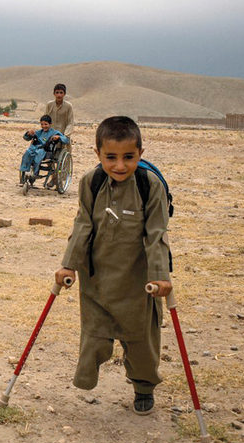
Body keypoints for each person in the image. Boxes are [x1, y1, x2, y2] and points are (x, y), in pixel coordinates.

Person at [55, 116, 172, 416]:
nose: (120, 166)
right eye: (111, 157)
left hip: (137, 281)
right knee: (94, 334)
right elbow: (82, 224)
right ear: (98, 154)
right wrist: (69, 265)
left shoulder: (150, 185)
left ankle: (144, 388)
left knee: (141, 340)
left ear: (140, 154)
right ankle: (86, 378)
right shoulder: (90, 182)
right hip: (97, 279)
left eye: (128, 157)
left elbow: (156, 233)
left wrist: (160, 276)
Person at [19, 115, 68, 185]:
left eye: (46, 124)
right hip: (34, 149)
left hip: (46, 150)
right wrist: (28, 133)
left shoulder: (54, 132)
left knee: (38, 155)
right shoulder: (39, 132)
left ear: (50, 124)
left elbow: (66, 140)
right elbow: (26, 138)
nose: (44, 126)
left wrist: (58, 137)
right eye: (42, 124)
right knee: (27, 153)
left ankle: (35, 173)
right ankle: (24, 173)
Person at [45, 83, 74, 148]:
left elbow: (70, 122)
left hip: (63, 136)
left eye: (61, 93)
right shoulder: (49, 105)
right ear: (54, 94)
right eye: (57, 92)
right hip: (50, 136)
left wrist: (65, 136)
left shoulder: (68, 106)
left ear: (64, 94)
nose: (59, 95)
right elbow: (45, 120)